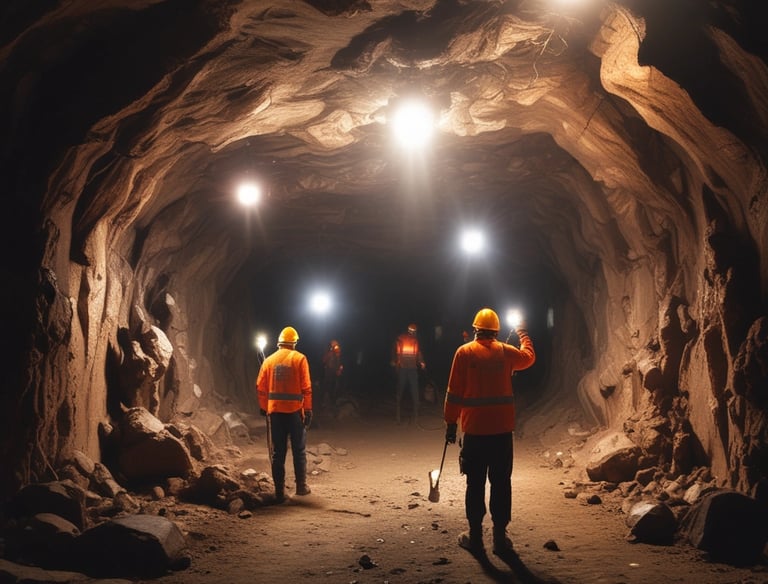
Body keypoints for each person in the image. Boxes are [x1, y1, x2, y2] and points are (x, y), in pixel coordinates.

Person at [443, 308, 535, 557]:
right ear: (496, 330)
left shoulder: (463, 353)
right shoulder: (505, 352)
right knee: (501, 483)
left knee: (475, 483)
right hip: (502, 433)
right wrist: (522, 332)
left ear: (475, 329)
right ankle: (499, 537)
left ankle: (474, 537)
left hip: (474, 432)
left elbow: (454, 392)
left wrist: (451, 423)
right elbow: (528, 358)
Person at [256, 325, 313, 502]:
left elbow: (260, 387)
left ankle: (279, 493)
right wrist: (308, 410)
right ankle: (301, 487)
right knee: (299, 450)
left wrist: (264, 406)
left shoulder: (269, 361)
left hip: (275, 414)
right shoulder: (300, 359)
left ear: (279, 343)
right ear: (294, 343)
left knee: (278, 453)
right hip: (295, 412)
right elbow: (307, 388)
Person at [391, 323, 425, 424]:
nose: (414, 333)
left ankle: (413, 416)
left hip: (410, 369)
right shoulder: (401, 339)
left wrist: (421, 361)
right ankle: (399, 416)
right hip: (404, 368)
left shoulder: (414, 341)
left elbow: (418, 352)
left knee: (411, 391)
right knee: (404, 391)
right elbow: (395, 351)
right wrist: (394, 361)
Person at [321, 339, 343, 408]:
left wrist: (339, 370)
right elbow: (324, 361)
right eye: (334, 345)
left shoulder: (338, 353)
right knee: (325, 388)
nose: (336, 347)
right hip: (328, 373)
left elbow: (340, 363)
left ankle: (333, 402)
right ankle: (323, 403)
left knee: (334, 388)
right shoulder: (329, 352)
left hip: (335, 374)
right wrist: (329, 353)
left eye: (336, 345)